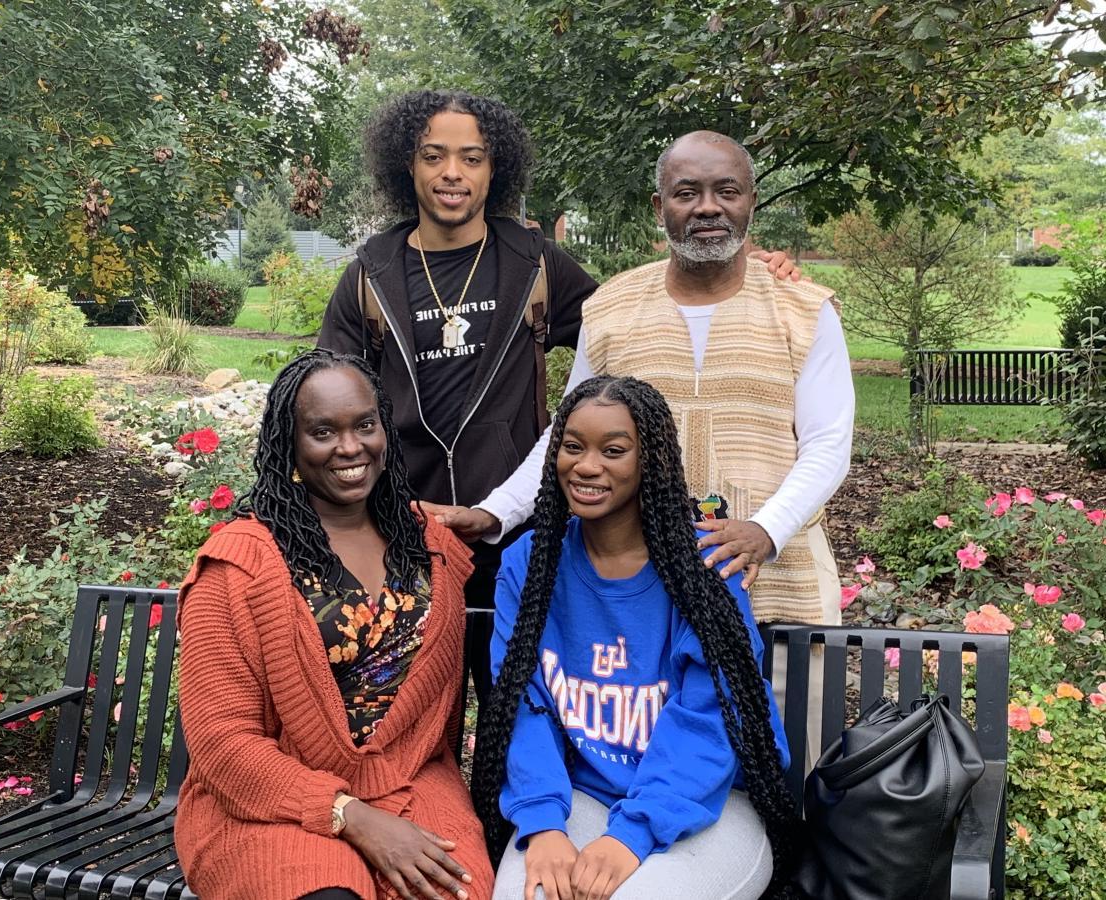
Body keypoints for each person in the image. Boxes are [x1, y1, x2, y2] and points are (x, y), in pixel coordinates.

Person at [318, 92, 801, 693]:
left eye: (472, 158)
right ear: (406, 165)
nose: (452, 173)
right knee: (404, 708)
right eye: (433, 156)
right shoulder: (372, 271)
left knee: (515, 707)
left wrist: (740, 262)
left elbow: (637, 320)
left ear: (496, 171)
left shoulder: (533, 264)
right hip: (401, 532)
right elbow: (326, 400)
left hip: (515, 538)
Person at [445, 131, 854, 714]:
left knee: (787, 772)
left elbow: (829, 443)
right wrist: (494, 513)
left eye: (727, 190)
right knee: (652, 766)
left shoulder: (802, 310)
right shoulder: (612, 308)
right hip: (643, 597)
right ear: (659, 208)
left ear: (750, 202)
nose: (708, 206)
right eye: (687, 192)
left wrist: (764, 530)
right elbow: (567, 433)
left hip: (779, 593)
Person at [175, 349, 493, 900]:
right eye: (323, 431)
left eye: (364, 425)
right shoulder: (239, 566)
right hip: (267, 801)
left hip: (411, 780)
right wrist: (351, 815)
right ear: (291, 444)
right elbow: (222, 744)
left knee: (449, 890)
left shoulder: (430, 546)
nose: (350, 447)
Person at [471, 375, 797, 900]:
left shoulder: (704, 567)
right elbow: (523, 703)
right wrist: (543, 823)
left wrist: (633, 833)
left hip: (706, 805)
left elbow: (709, 721)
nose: (587, 466)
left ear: (652, 462)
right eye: (573, 447)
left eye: (614, 450)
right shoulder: (529, 563)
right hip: (579, 797)